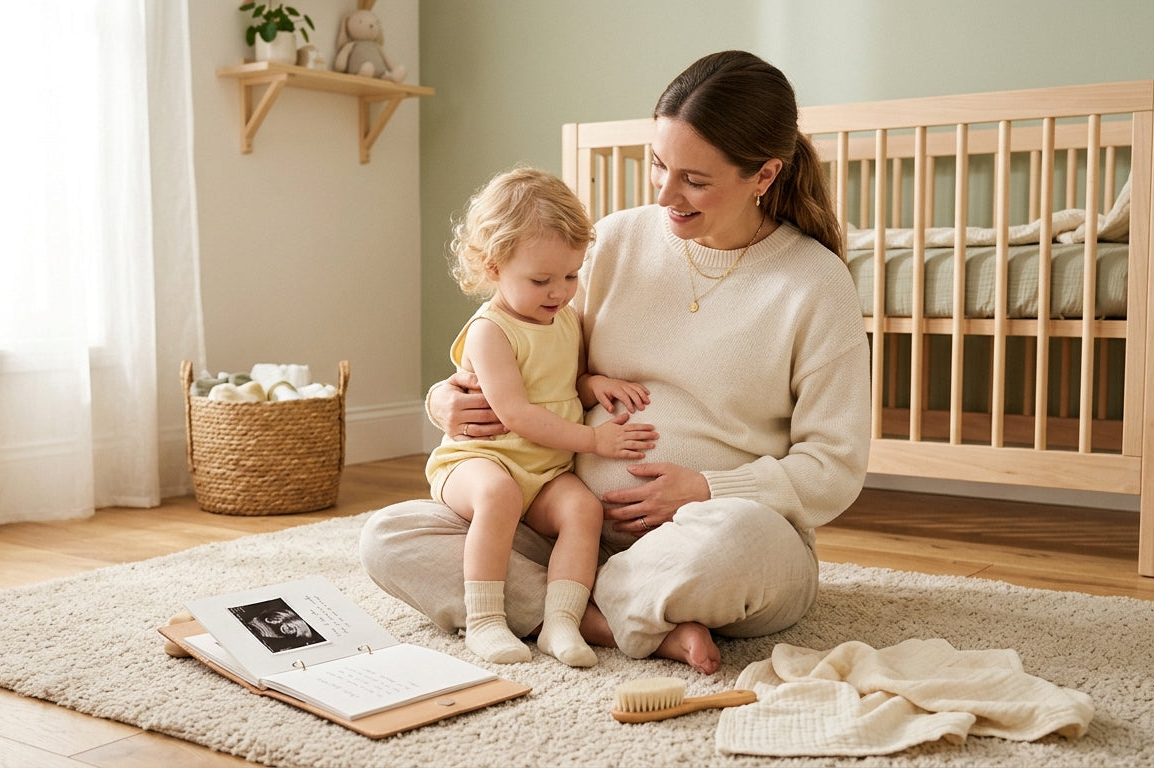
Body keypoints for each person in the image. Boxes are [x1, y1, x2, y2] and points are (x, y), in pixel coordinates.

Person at [360, 51, 870, 675]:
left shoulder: (814, 282)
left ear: (763, 176)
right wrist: (446, 398)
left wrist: (706, 487)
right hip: (569, 523)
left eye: (695, 179)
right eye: (659, 164)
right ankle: (608, 617)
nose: (664, 194)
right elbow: (528, 344)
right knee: (390, 538)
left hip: (714, 539)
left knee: (737, 541)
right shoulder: (616, 240)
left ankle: (573, 605)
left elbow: (834, 468)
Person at [427, 167, 657, 667]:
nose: (559, 291)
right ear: (492, 268)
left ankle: (561, 622)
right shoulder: (491, 331)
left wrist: (595, 384)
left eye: (571, 276)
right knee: (499, 494)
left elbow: (562, 384)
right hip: (480, 460)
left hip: (544, 469)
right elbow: (517, 414)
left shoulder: (565, 319)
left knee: (583, 511)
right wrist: (594, 442)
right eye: (541, 280)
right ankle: (485, 621)